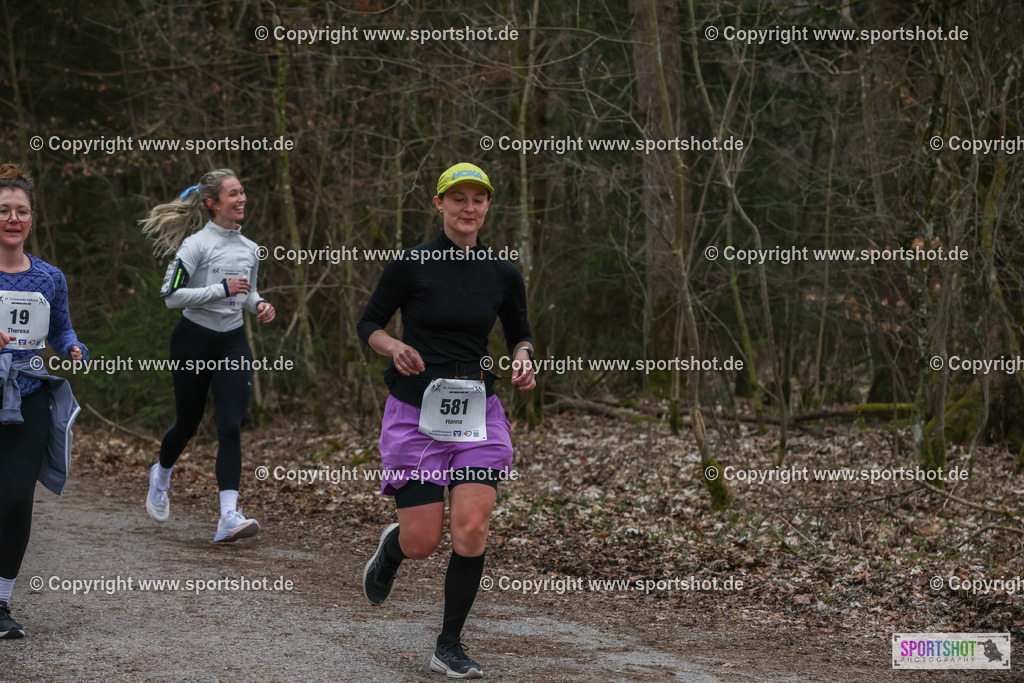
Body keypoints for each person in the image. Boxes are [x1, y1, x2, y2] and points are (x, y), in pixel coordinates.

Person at [358, 162, 536, 679]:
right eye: (458, 199)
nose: (468, 208)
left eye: (477, 199)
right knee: (422, 542)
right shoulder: (411, 265)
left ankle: (449, 644)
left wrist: (523, 356)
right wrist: (393, 346)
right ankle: (392, 549)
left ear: (487, 207)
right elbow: (369, 322)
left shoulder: (503, 272)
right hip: (416, 414)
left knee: (472, 528)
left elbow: (521, 331)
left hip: (478, 413)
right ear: (439, 204)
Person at [140, 168, 275, 543]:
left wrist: (259, 304)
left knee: (230, 425)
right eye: (234, 194)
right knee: (188, 422)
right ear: (213, 203)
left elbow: (247, 292)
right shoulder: (195, 246)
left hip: (232, 342)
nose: (242, 199)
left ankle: (228, 516)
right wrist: (220, 289)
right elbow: (171, 297)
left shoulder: (250, 248)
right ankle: (161, 475)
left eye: (243, 191)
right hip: (193, 341)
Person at [0, 163, 87, 639]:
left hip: (28, 394)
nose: (13, 219)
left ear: (32, 219)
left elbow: (62, 329)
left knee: (15, 501)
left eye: (22, 211)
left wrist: (74, 348)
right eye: (4, 211)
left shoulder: (49, 277)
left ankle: (1, 603)